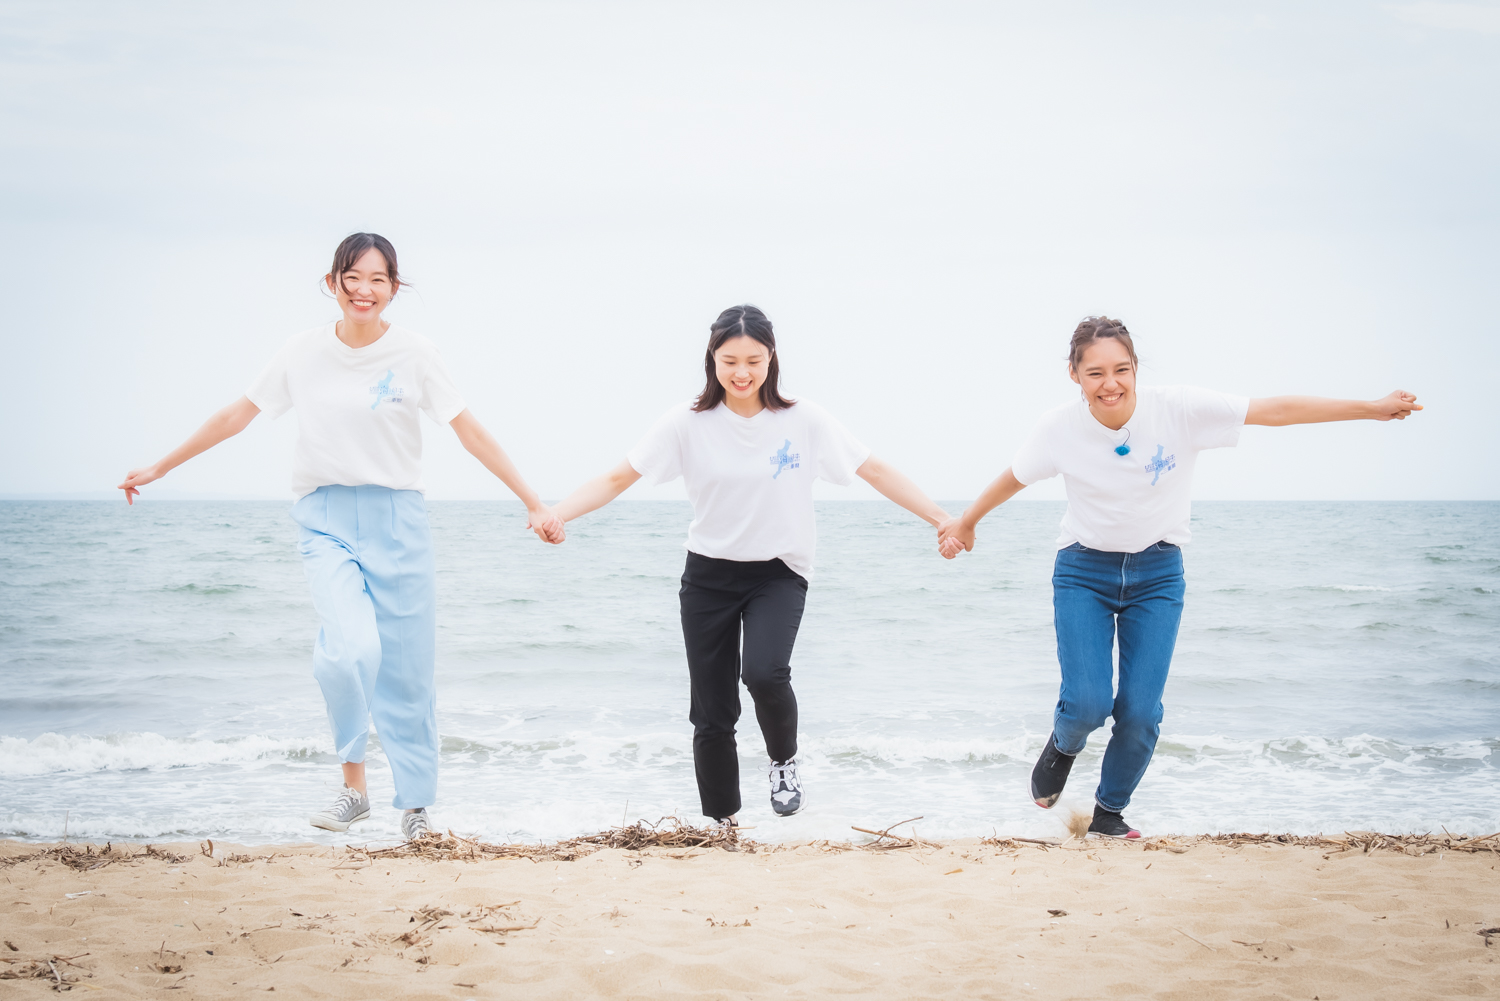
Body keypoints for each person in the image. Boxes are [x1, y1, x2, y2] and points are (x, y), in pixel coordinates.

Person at [118, 233, 561, 840]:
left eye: (378, 279)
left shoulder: (416, 354)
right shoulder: (301, 353)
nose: (365, 290)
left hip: (399, 520)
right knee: (350, 650)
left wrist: (532, 501)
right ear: (333, 283)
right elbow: (235, 416)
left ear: (394, 289)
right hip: (324, 517)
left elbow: (470, 431)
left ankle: (417, 810)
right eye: (353, 277)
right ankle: (354, 787)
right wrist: (162, 467)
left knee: (407, 672)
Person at [937, 316, 1421, 839]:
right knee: (1088, 704)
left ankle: (1108, 814)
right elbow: (1013, 478)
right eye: (1095, 372)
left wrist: (1371, 409)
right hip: (1084, 571)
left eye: (1122, 369)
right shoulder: (1058, 427)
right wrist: (965, 523)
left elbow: (1273, 410)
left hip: (1158, 573)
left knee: (1141, 713)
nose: (1111, 383)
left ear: (1136, 369)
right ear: (1075, 375)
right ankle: (1064, 742)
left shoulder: (1180, 409)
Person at [550, 305, 951, 828]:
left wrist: (940, 518)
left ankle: (783, 762)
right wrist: (558, 512)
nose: (742, 372)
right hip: (708, 576)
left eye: (754, 360)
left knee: (764, 672)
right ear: (712, 360)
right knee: (711, 710)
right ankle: (723, 824)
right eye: (730, 360)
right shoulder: (685, 423)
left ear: (771, 360)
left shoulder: (803, 419)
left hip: (778, 572)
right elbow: (616, 479)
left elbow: (871, 468)